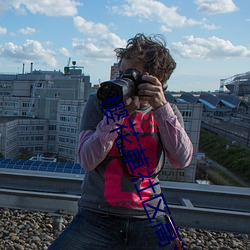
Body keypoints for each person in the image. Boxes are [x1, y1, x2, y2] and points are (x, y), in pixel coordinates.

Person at [48, 33, 193, 250]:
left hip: (152, 211)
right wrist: (115, 117)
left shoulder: (168, 113)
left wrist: (162, 109)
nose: (123, 79)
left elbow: (182, 159)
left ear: (157, 78)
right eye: (122, 72)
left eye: (131, 74)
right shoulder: (99, 104)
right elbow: (87, 160)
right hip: (96, 211)